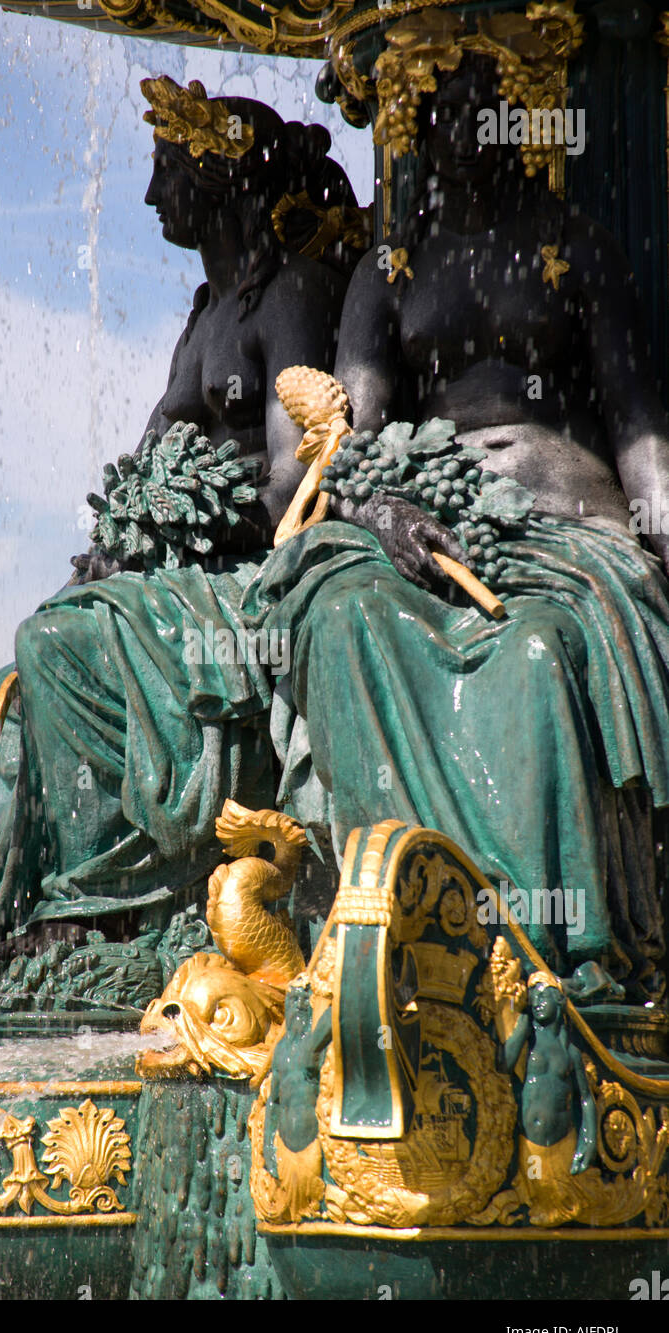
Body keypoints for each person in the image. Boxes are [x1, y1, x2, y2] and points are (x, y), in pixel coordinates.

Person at [245, 53, 669, 1000]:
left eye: (489, 118)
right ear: (422, 138)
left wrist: (661, 536)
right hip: (415, 521)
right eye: (444, 122)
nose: (466, 142)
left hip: (562, 520)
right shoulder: (387, 272)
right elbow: (339, 442)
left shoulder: (579, 245)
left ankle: (553, 944)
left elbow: (642, 428)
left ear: (525, 130)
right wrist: (381, 508)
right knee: (343, 615)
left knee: (537, 651)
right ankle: (395, 916)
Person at [0, 79, 364, 973]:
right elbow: (145, 468)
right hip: (176, 570)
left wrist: (186, 530)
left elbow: (297, 476)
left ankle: (99, 910)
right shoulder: (207, 317)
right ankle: (11, 930)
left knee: (53, 645)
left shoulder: (292, 293)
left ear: (216, 176)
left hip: (246, 572)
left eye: (166, 171)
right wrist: (119, 539)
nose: (148, 196)